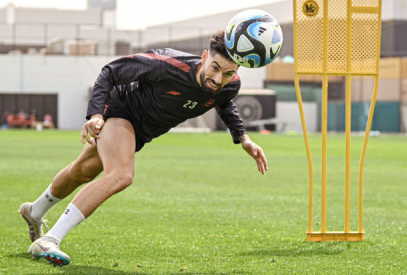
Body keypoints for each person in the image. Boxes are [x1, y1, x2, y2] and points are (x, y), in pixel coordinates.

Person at [18, 30, 268, 267]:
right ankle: (49, 240)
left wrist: (243, 137)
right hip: (120, 110)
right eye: (214, 68)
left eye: (227, 74)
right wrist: (96, 114)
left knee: (82, 172)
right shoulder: (167, 63)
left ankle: (34, 211)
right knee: (120, 175)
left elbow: (224, 103)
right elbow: (110, 71)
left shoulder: (230, 84)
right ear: (205, 57)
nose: (217, 79)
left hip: (142, 132)